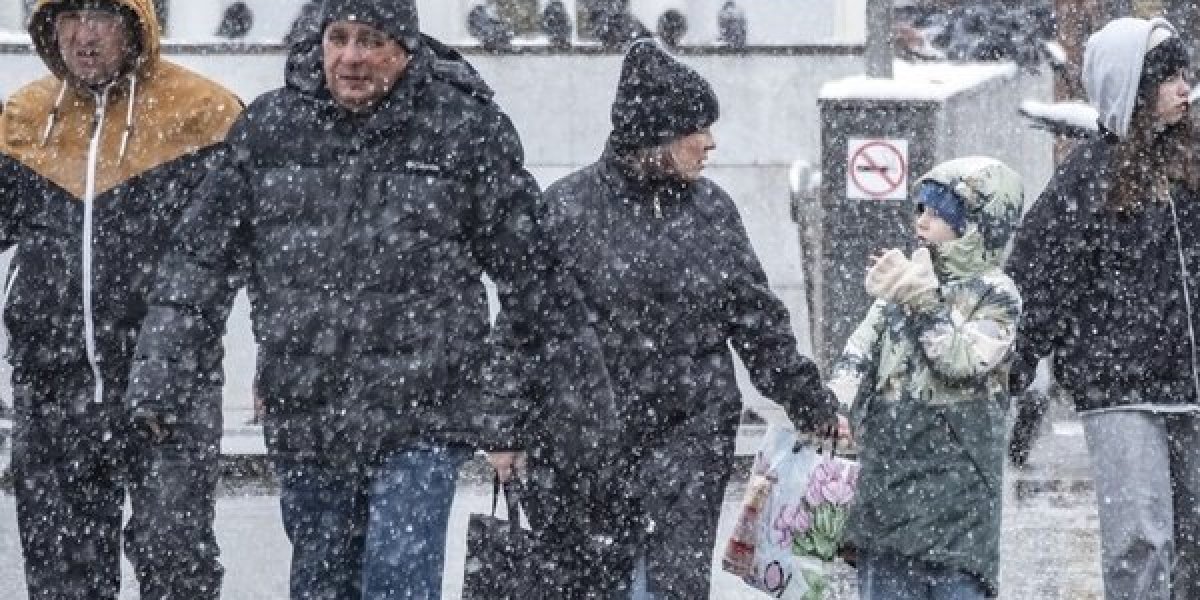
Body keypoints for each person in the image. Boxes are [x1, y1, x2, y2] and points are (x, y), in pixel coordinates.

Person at [123, 0, 608, 598]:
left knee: (399, 577)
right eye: (340, 38)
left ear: (405, 49)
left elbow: (535, 277)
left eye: (371, 40)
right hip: (308, 415)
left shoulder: (462, 129)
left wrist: (570, 401)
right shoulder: (270, 130)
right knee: (322, 582)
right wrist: (161, 374)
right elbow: (197, 265)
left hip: (423, 416)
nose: (351, 57)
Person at [529, 38, 838, 598]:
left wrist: (809, 402)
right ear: (658, 134)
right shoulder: (568, 209)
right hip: (585, 444)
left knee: (672, 585)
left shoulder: (711, 211)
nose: (710, 142)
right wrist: (506, 430)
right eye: (698, 128)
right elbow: (526, 328)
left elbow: (756, 319)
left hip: (688, 439)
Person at [0, 0, 242, 598]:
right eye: (68, 17)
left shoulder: (204, 113)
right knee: (62, 578)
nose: (84, 35)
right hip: (52, 388)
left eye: (102, 16)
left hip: (168, 390)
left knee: (174, 565)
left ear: (137, 23)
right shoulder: (24, 117)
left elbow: (247, 251)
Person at [1007, 17, 1200, 599]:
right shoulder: (1087, 177)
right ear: (1132, 86)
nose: (1185, 88)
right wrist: (1012, 360)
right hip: (1119, 391)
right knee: (1140, 543)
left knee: (1193, 549)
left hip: (1192, 389)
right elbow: (1039, 277)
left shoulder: (1194, 169)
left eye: (1186, 74)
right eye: (1168, 78)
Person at [828, 157, 1024, 599]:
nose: (922, 221)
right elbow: (857, 354)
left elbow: (961, 361)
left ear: (976, 227)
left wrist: (922, 301)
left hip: (960, 502)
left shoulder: (997, 295)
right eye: (921, 209)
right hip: (888, 491)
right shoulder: (901, 288)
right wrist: (834, 409)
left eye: (938, 214)